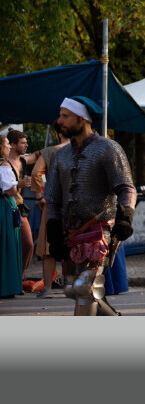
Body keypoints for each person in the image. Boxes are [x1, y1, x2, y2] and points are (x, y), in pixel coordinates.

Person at [44, 96, 137, 316]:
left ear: (82, 118)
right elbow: (53, 199)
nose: (60, 121)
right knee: (74, 290)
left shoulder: (108, 148)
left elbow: (127, 188)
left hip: (99, 231)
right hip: (71, 233)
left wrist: (125, 217)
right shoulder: (61, 155)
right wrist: (53, 228)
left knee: (84, 288)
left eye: (65, 116)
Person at [30, 121, 70, 298]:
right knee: (73, 244)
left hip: (52, 204)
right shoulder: (84, 149)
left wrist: (39, 197)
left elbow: (35, 173)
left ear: (57, 133)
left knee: (49, 247)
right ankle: (71, 286)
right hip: (75, 204)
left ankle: (47, 287)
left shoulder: (51, 151)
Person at [6, 129, 39, 282]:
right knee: (9, 244)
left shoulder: (23, 161)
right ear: (13, 145)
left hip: (19, 206)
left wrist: (66, 144)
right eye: (23, 143)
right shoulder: (4, 163)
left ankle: (20, 276)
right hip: (7, 205)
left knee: (28, 244)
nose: (26, 145)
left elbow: (38, 154)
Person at [0, 135, 23, 298]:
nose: (9, 147)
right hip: (4, 206)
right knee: (7, 244)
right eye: (7, 144)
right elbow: (10, 191)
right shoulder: (3, 165)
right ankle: (7, 286)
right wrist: (18, 185)